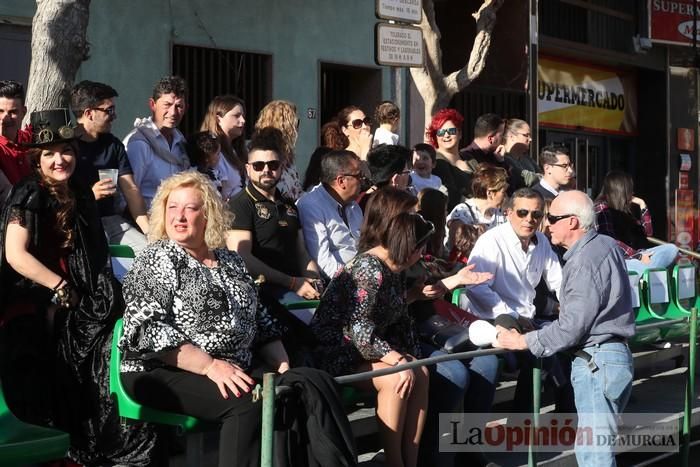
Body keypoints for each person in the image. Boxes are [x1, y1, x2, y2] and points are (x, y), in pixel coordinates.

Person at [0, 109, 158, 466]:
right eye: (50, 154)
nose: (60, 160)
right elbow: (15, 255)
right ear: (37, 159)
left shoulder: (80, 193)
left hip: (75, 297)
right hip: (32, 298)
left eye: (66, 151)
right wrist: (59, 289)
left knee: (117, 332)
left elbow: (93, 257)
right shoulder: (29, 192)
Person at [119, 170, 291, 467]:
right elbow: (148, 330)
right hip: (157, 367)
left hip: (228, 366)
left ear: (208, 215)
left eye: (190, 208)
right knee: (248, 404)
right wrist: (210, 365)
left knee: (289, 393)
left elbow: (260, 318)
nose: (179, 217)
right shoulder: (157, 257)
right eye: (172, 207)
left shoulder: (230, 260)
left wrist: (283, 365)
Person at [496, 190, 635, 467]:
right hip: (609, 360)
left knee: (595, 457)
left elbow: (571, 327)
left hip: (598, 363)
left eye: (552, 218)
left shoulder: (585, 260)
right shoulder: (605, 245)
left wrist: (523, 341)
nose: (546, 224)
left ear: (572, 222)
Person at [465, 188, 569, 413]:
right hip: (492, 318)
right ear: (509, 212)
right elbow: (474, 287)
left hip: (527, 319)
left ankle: (565, 420)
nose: (529, 220)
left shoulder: (541, 241)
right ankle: (524, 424)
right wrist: (513, 315)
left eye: (536, 214)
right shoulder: (491, 241)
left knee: (567, 343)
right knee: (542, 354)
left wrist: (573, 309)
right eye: (522, 212)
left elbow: (558, 281)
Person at [227, 128, 323, 303]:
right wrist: (293, 283)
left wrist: (315, 280)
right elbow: (242, 258)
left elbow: (301, 252)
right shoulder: (239, 204)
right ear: (248, 169)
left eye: (273, 165)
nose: (266, 170)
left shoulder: (289, 204)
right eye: (258, 166)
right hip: (262, 294)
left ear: (282, 167)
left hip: (296, 290)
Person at [70, 80, 149, 253]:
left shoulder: (113, 145)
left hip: (111, 220)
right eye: (109, 110)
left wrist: (150, 232)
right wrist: (90, 195)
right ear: (89, 113)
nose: (114, 116)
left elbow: (131, 190)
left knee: (150, 254)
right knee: (102, 259)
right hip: (79, 222)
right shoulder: (66, 148)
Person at [123, 75, 190, 208]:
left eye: (179, 106)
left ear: (186, 108)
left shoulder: (181, 143)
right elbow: (126, 197)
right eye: (167, 105)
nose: (173, 112)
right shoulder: (138, 143)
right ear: (152, 105)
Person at [297, 149, 364, 280]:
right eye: (359, 176)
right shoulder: (311, 206)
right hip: (338, 285)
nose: (363, 180)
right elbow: (322, 261)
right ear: (341, 181)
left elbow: (365, 246)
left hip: (364, 276)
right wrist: (355, 282)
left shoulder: (353, 206)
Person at [594, 170, 678, 275]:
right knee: (652, 266)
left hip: (634, 257)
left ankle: (646, 273)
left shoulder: (622, 210)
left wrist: (642, 204)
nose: (632, 193)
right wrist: (638, 256)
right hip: (618, 260)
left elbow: (647, 233)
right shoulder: (602, 208)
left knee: (671, 249)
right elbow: (609, 242)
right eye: (629, 190)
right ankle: (646, 274)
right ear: (621, 190)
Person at [199, 95, 248, 200]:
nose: (243, 120)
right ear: (218, 119)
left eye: (243, 116)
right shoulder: (211, 152)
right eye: (237, 116)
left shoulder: (236, 150)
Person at [255, 100, 304, 200]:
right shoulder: (264, 154)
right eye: (296, 123)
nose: (297, 128)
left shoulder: (287, 155)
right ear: (286, 126)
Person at [426, 108, 472, 211]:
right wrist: (476, 205)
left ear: (459, 134)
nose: (446, 135)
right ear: (435, 136)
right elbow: (451, 196)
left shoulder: (469, 158)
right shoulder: (436, 162)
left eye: (451, 131)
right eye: (441, 132)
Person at [446, 164, 509, 236]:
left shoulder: (499, 213)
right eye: (503, 192)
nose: (506, 196)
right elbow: (456, 244)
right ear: (489, 193)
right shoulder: (463, 212)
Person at [0, 80, 32, 200]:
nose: (5, 118)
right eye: (0, 111)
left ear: (23, 112)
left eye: (13, 112)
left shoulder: (30, 140)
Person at [359, 143, 412, 209]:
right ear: (394, 179)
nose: (409, 177)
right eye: (407, 172)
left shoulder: (360, 202)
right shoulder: (398, 208)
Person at [500, 118, 540, 192]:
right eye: (526, 135)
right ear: (511, 136)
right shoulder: (501, 158)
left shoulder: (528, 159)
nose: (530, 139)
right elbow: (523, 178)